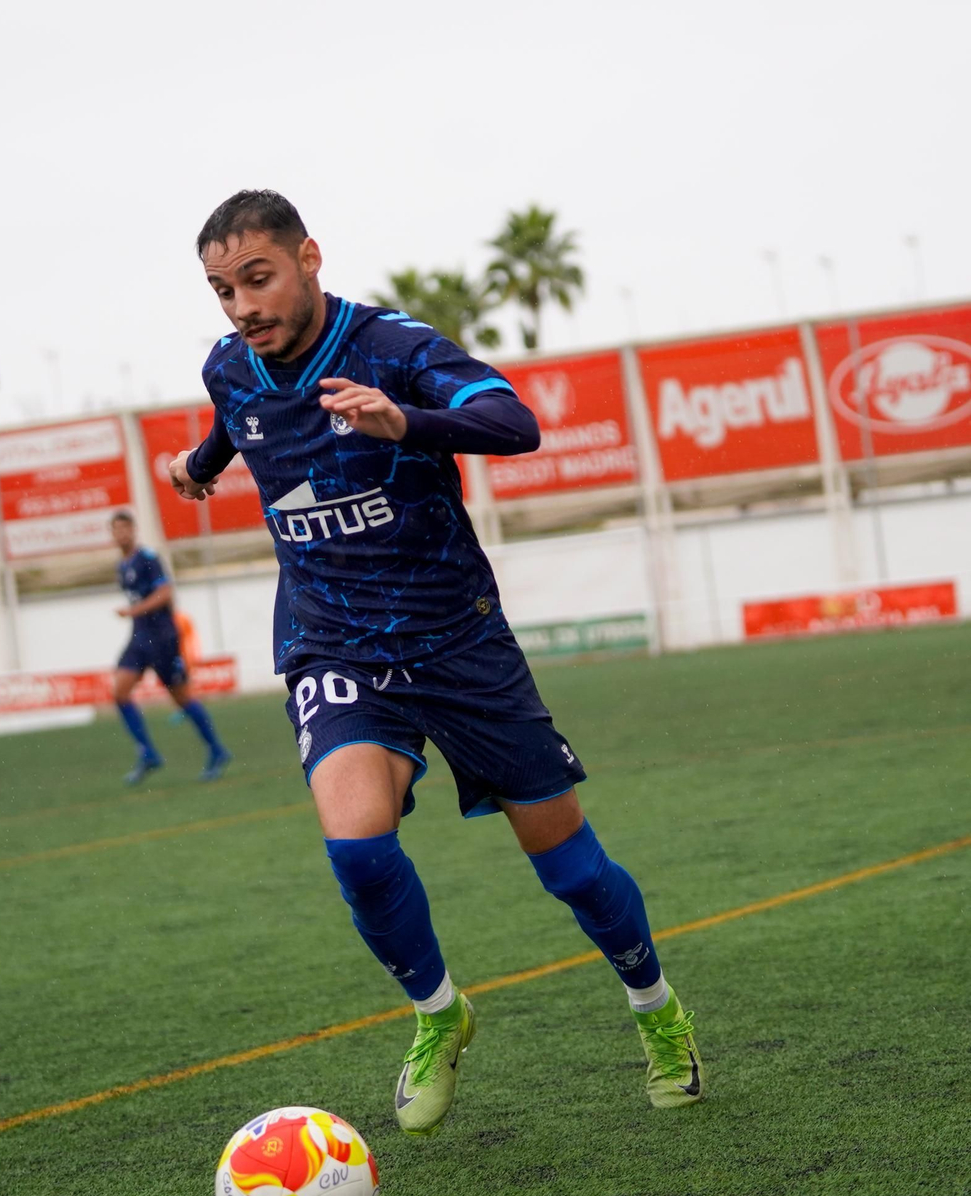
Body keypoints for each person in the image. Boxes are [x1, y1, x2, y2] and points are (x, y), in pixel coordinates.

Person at [167, 192, 702, 1135]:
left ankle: (656, 1009)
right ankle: (437, 1012)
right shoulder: (229, 368)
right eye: (222, 290)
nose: (243, 306)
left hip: (457, 642)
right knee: (358, 847)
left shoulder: (393, 350)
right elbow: (231, 421)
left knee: (571, 870)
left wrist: (406, 422)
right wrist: (200, 465)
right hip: (331, 642)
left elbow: (513, 422)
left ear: (309, 260)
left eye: (258, 279)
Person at [109, 509, 230, 785]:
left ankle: (217, 749)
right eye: (116, 529)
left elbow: (165, 593)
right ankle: (148, 752)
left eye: (125, 528)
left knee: (182, 698)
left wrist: (136, 611)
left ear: (133, 530)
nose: (121, 534)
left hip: (161, 638)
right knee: (120, 691)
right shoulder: (121, 566)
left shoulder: (147, 559)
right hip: (139, 638)